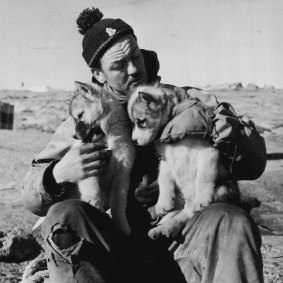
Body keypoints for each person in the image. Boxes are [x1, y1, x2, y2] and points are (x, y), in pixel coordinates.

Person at [21, 7, 264, 283]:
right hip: (113, 251)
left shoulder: (187, 101)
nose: (135, 69)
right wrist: (57, 175)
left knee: (232, 221)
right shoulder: (81, 124)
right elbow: (30, 197)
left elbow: (255, 165)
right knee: (63, 216)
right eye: (119, 65)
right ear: (98, 74)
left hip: (183, 242)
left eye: (135, 55)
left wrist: (235, 139)